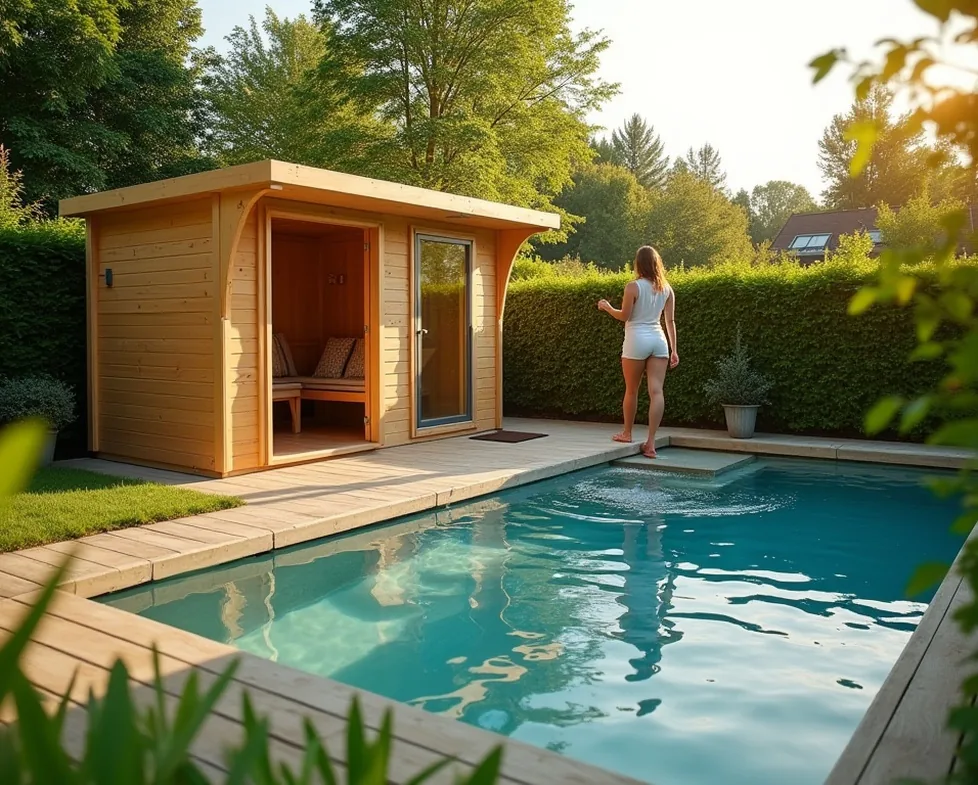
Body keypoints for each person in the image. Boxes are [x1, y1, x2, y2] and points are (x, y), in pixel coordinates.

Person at [597, 246, 678, 458]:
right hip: (659, 341)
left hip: (636, 340)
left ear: (638, 264)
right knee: (656, 392)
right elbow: (670, 321)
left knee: (632, 390)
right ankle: (650, 444)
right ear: (657, 263)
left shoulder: (633, 286)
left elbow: (624, 316)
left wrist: (606, 307)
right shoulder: (667, 289)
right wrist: (674, 349)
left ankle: (627, 433)